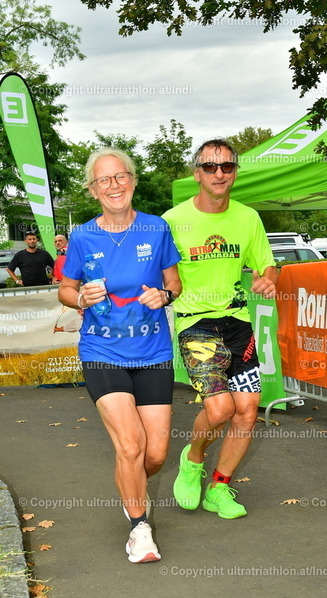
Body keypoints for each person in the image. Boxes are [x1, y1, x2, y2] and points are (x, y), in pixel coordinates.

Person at [58, 148, 182, 563]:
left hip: (152, 351)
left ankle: (131, 489)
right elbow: (65, 289)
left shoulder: (156, 228)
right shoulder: (81, 237)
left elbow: (174, 283)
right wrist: (80, 297)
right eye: (103, 180)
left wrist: (164, 295)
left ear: (132, 180)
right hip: (102, 351)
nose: (114, 185)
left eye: (120, 176)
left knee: (154, 454)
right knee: (130, 445)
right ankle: (139, 530)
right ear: (93, 190)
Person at [163, 138, 277, 520]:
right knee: (220, 408)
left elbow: (266, 264)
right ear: (197, 173)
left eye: (226, 166)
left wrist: (269, 278)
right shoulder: (172, 220)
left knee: (247, 410)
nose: (219, 173)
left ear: (235, 173)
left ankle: (219, 488)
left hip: (238, 321)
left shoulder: (248, 218)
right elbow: (157, 274)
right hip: (196, 323)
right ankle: (193, 459)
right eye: (210, 166)